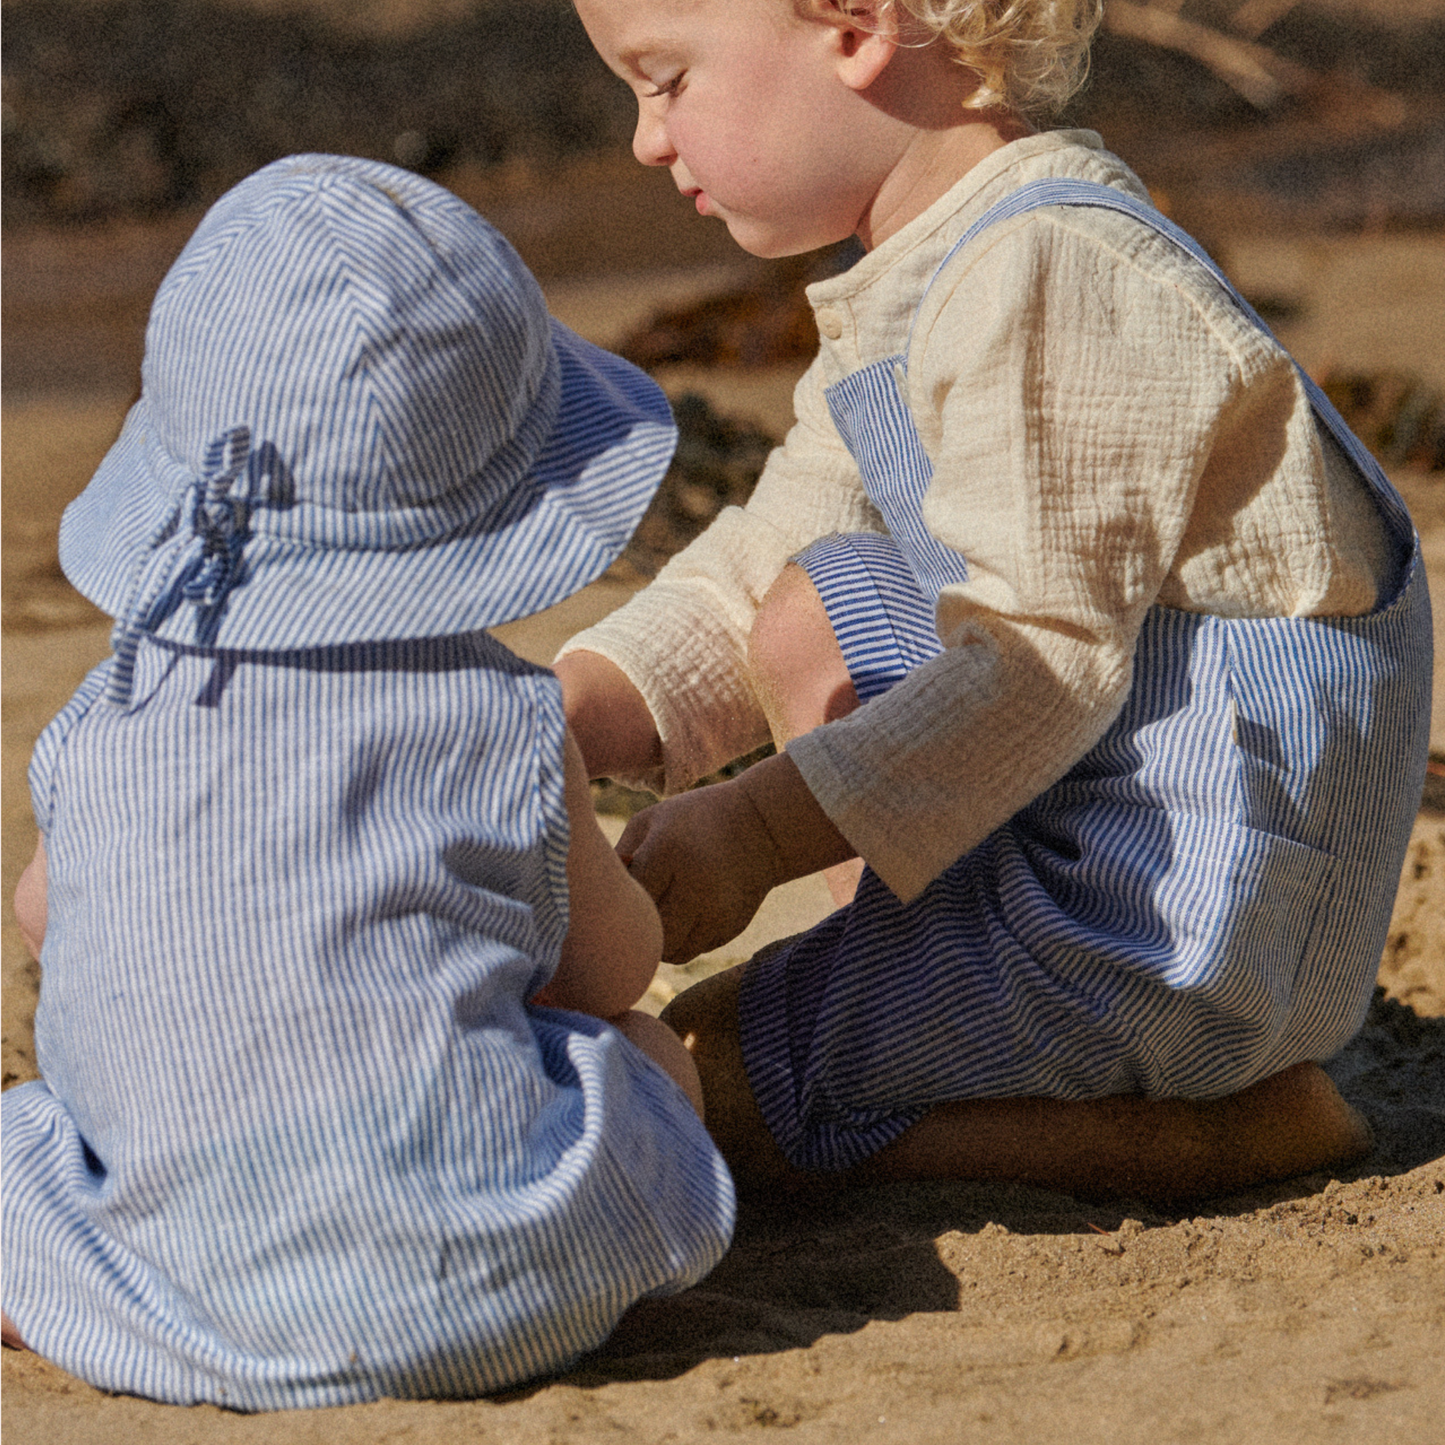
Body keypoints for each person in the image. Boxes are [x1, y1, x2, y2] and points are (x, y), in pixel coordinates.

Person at [557, 0, 1432, 1199]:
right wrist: (571, 707)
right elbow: (767, 550)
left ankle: (1212, 1128)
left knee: (730, 1084)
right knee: (812, 601)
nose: (646, 141)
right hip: (1091, 818)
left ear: (855, 24)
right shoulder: (926, 266)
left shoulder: (1053, 269)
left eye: (664, 82)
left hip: (1174, 923)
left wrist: (755, 829)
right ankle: (919, 999)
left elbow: (1037, 661)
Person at [0, 154, 736, 1408]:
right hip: (497, 1287)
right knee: (648, 1056)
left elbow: (40, 912)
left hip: (193, 1273)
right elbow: (607, 970)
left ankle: (91, 1298)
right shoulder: (505, 716)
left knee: (32, 1138)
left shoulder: (109, 712)